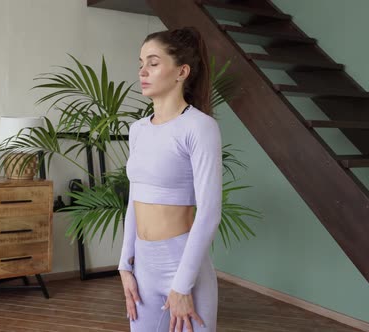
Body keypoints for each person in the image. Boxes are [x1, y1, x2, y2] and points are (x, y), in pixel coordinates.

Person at [118, 26, 223, 332]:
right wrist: (125, 264)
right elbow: (134, 202)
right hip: (143, 267)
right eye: (140, 63)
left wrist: (182, 285)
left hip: (182, 264)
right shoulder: (137, 130)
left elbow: (209, 212)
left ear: (181, 72)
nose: (143, 71)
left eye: (153, 62)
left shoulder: (199, 127)